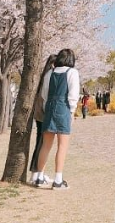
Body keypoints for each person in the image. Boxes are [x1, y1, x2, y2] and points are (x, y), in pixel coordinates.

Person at [33, 48, 80, 190]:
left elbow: (44, 93)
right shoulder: (72, 73)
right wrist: (71, 112)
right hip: (63, 108)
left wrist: (49, 106)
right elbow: (73, 95)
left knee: (46, 145)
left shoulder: (49, 73)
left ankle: (39, 177)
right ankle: (58, 180)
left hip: (50, 107)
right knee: (62, 145)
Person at [30, 54, 57, 178]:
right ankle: (36, 172)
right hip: (43, 113)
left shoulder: (45, 74)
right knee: (42, 143)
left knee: (40, 142)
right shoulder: (50, 75)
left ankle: (37, 172)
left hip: (40, 112)